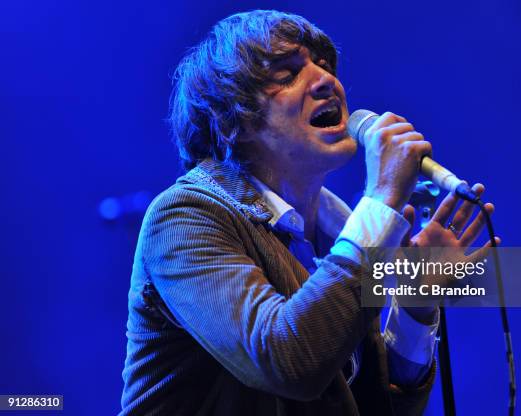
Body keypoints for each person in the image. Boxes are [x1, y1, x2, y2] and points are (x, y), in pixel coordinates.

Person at [120, 10, 495, 415]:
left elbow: (376, 409)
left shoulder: (340, 234)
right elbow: (287, 362)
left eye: (324, 65)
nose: (326, 80)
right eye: (287, 74)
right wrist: (384, 197)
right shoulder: (186, 216)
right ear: (235, 121)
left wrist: (416, 307)